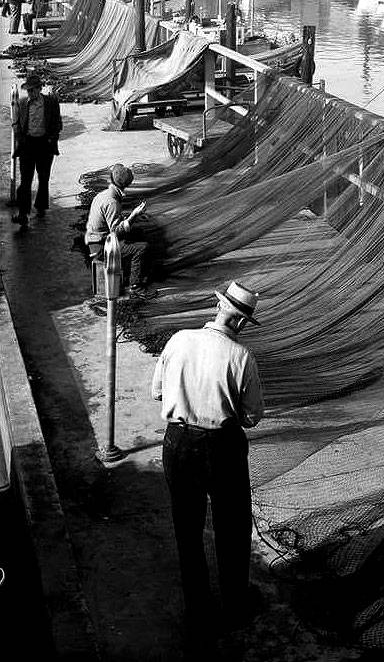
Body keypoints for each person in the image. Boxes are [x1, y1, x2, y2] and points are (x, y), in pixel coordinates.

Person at [152, 280, 265, 652]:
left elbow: (157, 391)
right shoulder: (242, 357)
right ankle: (235, 605)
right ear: (243, 322)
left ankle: (198, 611)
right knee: (231, 527)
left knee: (188, 529)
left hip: (179, 442)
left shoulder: (179, 340)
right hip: (222, 447)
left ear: (217, 307)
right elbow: (251, 417)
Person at [85, 163, 149, 293]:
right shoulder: (112, 202)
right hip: (100, 247)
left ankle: (126, 276)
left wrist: (127, 219)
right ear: (126, 185)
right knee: (141, 248)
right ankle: (135, 286)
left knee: (136, 233)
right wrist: (133, 215)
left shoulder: (103, 194)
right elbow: (115, 233)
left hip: (95, 240)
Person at [12, 71, 63, 230]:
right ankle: (23, 213)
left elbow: (57, 123)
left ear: (40, 89)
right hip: (28, 145)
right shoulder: (21, 103)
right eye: (28, 90)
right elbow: (16, 124)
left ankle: (41, 205)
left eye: (33, 90)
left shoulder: (51, 103)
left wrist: (51, 139)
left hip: (44, 145)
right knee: (25, 182)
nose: (30, 93)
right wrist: (20, 138)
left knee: (43, 177)